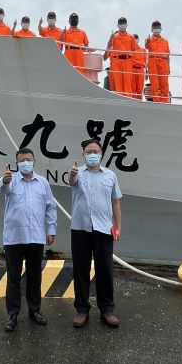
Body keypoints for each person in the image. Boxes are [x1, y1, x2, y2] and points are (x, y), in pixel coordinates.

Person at [0, 149, 56, 332]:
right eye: (21, 160)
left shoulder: (43, 183)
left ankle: (35, 311)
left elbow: (51, 207)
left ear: (34, 161)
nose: (25, 163)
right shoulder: (10, 180)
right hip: (14, 238)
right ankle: (12, 314)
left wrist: (51, 229)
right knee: (13, 278)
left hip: (36, 237)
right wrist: (5, 180)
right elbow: (3, 188)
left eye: (28, 160)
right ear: (16, 163)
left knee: (34, 277)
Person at [69, 138, 122, 328]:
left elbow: (116, 202)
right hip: (80, 228)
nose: (92, 155)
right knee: (81, 269)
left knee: (105, 270)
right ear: (83, 154)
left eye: (96, 152)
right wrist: (72, 174)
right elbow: (71, 181)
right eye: (89, 152)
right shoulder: (77, 173)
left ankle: (107, 309)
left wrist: (118, 226)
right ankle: (82, 309)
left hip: (104, 228)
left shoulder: (110, 175)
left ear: (101, 154)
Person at [104, 17, 138, 98]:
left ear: (126, 24)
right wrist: (110, 38)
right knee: (118, 83)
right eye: (120, 23)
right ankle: (120, 100)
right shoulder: (114, 36)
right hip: (116, 61)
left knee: (127, 83)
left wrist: (129, 59)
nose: (122, 25)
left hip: (127, 61)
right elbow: (108, 47)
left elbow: (133, 50)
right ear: (118, 25)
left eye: (123, 23)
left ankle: (128, 100)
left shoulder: (131, 37)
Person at [146, 21, 171, 103]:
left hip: (164, 62)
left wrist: (169, 67)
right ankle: (156, 101)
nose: (156, 29)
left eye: (158, 27)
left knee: (164, 84)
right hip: (153, 61)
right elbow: (146, 46)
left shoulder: (165, 41)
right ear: (151, 29)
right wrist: (148, 42)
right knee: (154, 84)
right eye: (155, 27)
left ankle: (164, 102)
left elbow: (167, 55)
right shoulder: (148, 39)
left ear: (161, 28)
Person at [132, 34, 146, 100]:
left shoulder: (143, 50)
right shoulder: (129, 50)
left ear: (138, 39)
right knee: (132, 89)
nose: (135, 39)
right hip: (132, 70)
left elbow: (145, 62)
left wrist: (146, 72)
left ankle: (140, 103)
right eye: (134, 38)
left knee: (140, 89)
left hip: (141, 70)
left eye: (136, 38)